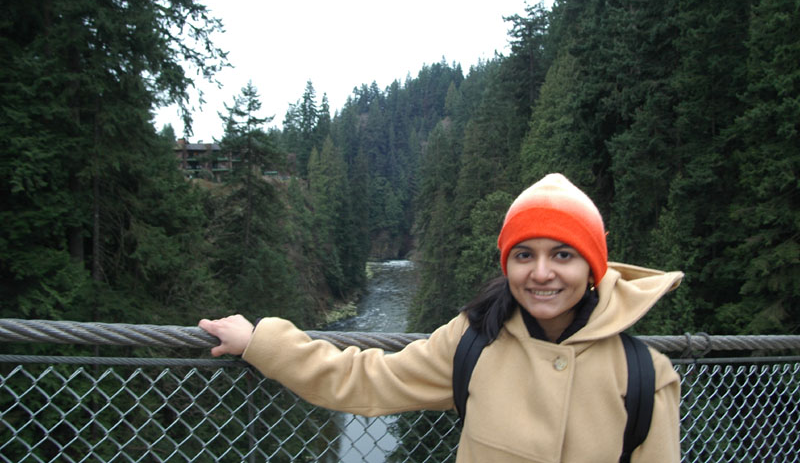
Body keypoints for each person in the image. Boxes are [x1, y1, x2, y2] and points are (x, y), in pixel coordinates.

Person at [199, 173, 683, 462]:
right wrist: (261, 343)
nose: (541, 273)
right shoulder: (473, 342)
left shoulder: (645, 378)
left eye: (562, 254)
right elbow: (366, 379)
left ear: (593, 266)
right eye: (524, 254)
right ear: (506, 265)